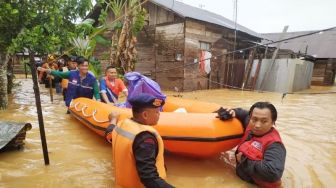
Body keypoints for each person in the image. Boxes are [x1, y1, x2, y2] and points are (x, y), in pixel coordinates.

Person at [107, 93, 174, 188]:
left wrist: (113, 119)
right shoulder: (145, 139)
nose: (159, 115)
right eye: (157, 112)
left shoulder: (121, 125)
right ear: (145, 115)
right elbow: (149, 178)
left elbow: (109, 134)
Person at [217, 102, 286, 188]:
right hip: (241, 178)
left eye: (264, 121)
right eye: (254, 119)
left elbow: (273, 173)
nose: (257, 125)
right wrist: (233, 112)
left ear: (272, 122)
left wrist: (244, 160)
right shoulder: (250, 125)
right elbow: (243, 114)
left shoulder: (275, 145)